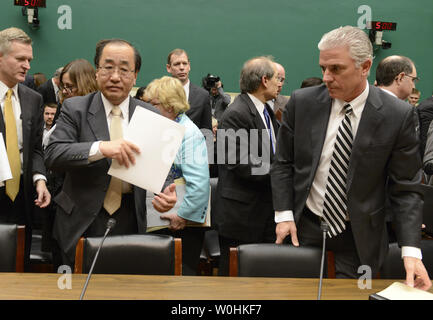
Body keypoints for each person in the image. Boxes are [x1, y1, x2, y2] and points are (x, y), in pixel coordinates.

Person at [270, 25, 431, 289]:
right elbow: (283, 163)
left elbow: (406, 189)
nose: (326, 77)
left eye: (336, 68)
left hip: (360, 237)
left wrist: (411, 250)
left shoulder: (396, 115)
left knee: (356, 296)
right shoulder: (302, 102)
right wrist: (284, 214)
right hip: (305, 228)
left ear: (365, 66)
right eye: (323, 68)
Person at [44, 38, 177, 268]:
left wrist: (166, 194)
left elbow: (160, 170)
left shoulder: (149, 114)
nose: (115, 76)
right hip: (81, 219)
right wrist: (101, 148)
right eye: (108, 68)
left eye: (124, 70)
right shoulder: (75, 108)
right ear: (97, 72)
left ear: (135, 76)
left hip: (130, 219)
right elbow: (54, 154)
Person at [215, 56, 280, 276]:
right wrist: (281, 174)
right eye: (277, 79)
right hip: (241, 216)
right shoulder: (236, 113)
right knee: (233, 284)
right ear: (264, 80)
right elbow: (240, 162)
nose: (280, 84)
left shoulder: (267, 111)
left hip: (262, 213)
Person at [143, 76, 210, 275]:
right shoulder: (169, 128)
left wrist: (183, 216)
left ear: (170, 107)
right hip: (165, 219)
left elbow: (199, 183)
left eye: (153, 104)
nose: (148, 108)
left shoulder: (188, 133)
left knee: (179, 281)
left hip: (182, 225)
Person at [0, 27, 51, 267]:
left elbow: (36, 149)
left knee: (19, 264)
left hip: (23, 197)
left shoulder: (33, 99)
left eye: (29, 59)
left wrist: (40, 180)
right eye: (20, 59)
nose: (27, 65)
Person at [166, 48, 212, 131]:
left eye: (185, 63)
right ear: (168, 68)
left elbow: (207, 130)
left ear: (189, 66)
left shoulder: (203, 95)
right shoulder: (159, 94)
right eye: (177, 64)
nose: (182, 67)